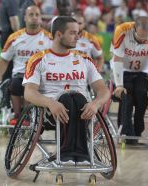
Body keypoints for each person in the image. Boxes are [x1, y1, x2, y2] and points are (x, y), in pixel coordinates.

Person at [23, 16, 110, 164]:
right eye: (73, 33)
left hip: (82, 110)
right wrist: (50, 103)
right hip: (49, 113)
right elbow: (29, 92)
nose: (78, 37)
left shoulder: (84, 59)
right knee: (66, 99)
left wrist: (95, 104)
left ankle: (79, 154)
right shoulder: (38, 59)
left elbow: (103, 90)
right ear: (58, 34)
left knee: (77, 98)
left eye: (78, 32)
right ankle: (67, 153)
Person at [0, 5, 52, 124]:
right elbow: (4, 60)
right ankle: (18, 115)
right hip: (19, 75)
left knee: (30, 85)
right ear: (24, 18)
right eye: (31, 15)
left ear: (40, 18)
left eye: (37, 15)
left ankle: (28, 114)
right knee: (15, 84)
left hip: (40, 76)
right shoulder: (14, 38)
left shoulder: (49, 38)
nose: (34, 17)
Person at [110, 16, 148, 144]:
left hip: (142, 72)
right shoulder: (121, 30)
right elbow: (117, 59)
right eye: (140, 37)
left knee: (142, 94)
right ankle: (127, 132)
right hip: (123, 70)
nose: (142, 41)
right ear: (134, 29)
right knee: (126, 96)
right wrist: (119, 85)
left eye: (145, 38)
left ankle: (138, 130)